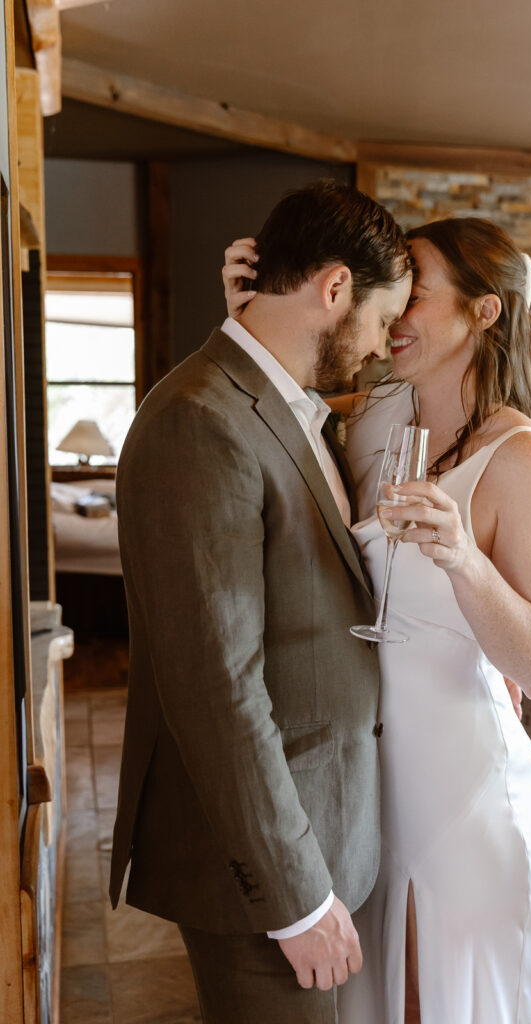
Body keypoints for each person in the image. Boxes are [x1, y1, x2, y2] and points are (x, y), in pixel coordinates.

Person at [224, 215, 531, 1023]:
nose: (394, 314)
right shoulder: (377, 414)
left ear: (482, 313)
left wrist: (461, 558)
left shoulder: (522, 462)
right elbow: (273, 403)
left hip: (463, 792)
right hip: (368, 790)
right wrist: (253, 307)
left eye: (414, 293)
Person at [109, 181, 413, 1024]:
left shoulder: (285, 404)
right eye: (384, 320)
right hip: (264, 868)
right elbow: (217, 688)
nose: (383, 347)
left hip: (320, 826)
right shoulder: (197, 421)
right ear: (334, 288)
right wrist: (296, 898)